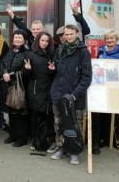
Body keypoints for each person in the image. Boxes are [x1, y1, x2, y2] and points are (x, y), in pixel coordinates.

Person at [50, 24, 92, 165]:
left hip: (74, 96)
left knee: (75, 125)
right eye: (66, 35)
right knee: (59, 123)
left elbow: (87, 77)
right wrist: (52, 69)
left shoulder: (83, 51)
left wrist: (74, 95)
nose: (68, 37)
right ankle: (61, 148)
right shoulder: (60, 50)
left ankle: (74, 151)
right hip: (58, 94)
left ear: (77, 34)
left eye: (70, 34)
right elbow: (55, 71)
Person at [92, 29, 119, 154]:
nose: (109, 40)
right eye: (107, 38)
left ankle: (112, 139)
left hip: (115, 88)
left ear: (116, 39)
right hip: (101, 88)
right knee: (100, 114)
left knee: (113, 115)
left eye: (112, 38)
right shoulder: (101, 51)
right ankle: (101, 139)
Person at [24, 32, 55, 155]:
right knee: (37, 117)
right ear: (38, 41)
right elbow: (26, 75)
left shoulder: (51, 54)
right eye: (42, 40)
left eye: (47, 41)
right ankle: (37, 142)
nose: (45, 43)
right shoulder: (31, 54)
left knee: (46, 117)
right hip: (36, 91)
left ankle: (42, 141)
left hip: (48, 90)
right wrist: (27, 70)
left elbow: (52, 74)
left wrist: (53, 70)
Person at [1, 29, 30, 147]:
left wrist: (11, 75)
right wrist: (3, 73)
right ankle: (12, 134)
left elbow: (25, 70)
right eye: (16, 37)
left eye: (20, 37)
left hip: (19, 86)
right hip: (8, 86)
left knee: (19, 112)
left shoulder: (27, 53)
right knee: (10, 111)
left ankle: (21, 137)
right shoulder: (10, 51)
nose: (17, 39)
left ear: (24, 40)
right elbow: (2, 63)